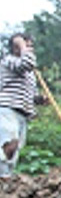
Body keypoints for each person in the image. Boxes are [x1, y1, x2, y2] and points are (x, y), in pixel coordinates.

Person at [0, 33, 40, 177]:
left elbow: (31, 94)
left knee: (14, 152)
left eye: (30, 47)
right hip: (7, 109)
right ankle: (2, 177)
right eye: (26, 46)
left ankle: (5, 179)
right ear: (15, 48)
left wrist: (40, 99)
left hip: (22, 113)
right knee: (9, 145)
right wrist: (21, 43)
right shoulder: (9, 60)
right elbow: (27, 63)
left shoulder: (30, 74)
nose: (29, 50)